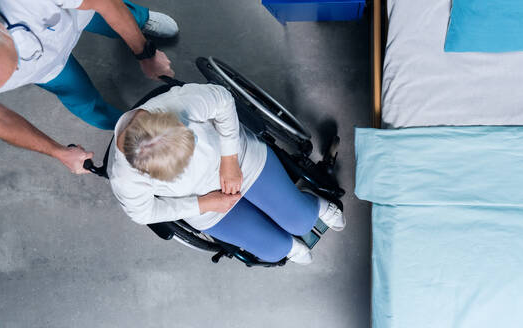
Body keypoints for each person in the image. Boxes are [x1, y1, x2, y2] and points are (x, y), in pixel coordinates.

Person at [108, 83, 346, 264]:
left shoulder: (177, 103)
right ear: (146, 170)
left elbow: (222, 99)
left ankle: (313, 203)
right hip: (205, 206)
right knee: (274, 251)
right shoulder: (125, 178)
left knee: (302, 221)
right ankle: (290, 244)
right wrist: (203, 203)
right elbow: (143, 213)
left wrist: (229, 160)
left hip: (241, 160)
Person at [0, 0, 178, 174]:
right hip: (49, 70)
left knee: (120, 16)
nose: (18, 71)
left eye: (14, 62)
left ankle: (142, 20)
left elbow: (105, 3)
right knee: (88, 105)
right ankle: (128, 126)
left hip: (78, 14)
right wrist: (58, 152)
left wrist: (144, 52)